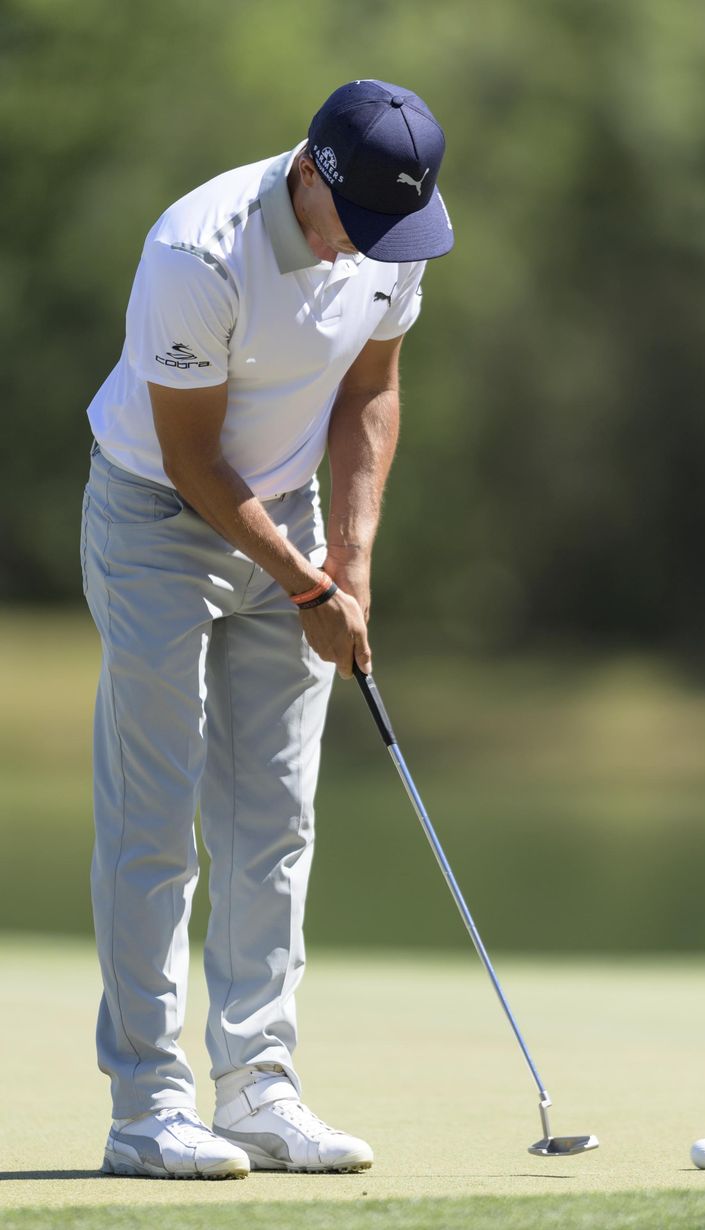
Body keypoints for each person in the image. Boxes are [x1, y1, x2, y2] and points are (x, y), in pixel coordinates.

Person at [80, 79, 453, 1180]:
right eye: (361, 226)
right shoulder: (196, 252)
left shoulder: (388, 236)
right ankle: (148, 1108)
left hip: (288, 517)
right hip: (156, 514)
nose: (374, 252)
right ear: (309, 176)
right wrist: (305, 587)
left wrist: (354, 563)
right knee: (153, 823)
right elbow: (193, 461)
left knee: (273, 822)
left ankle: (256, 1088)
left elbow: (370, 393)